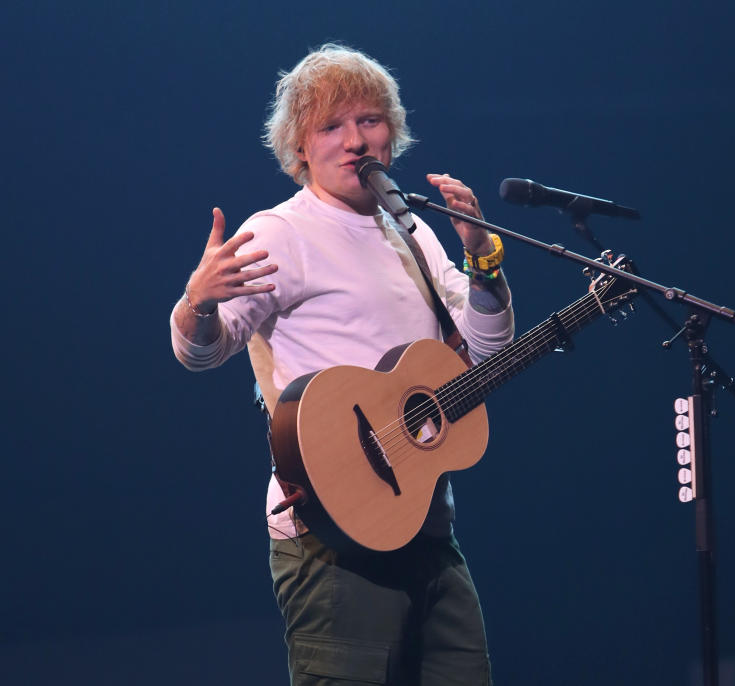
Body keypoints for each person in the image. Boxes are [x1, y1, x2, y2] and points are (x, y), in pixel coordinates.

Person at [169, 44, 514, 685]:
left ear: (393, 133)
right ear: (302, 147)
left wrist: (483, 258)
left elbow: (487, 349)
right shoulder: (280, 233)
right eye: (332, 126)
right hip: (329, 539)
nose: (356, 141)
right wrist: (198, 301)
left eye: (370, 121)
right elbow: (201, 351)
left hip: (426, 526)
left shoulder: (412, 230)